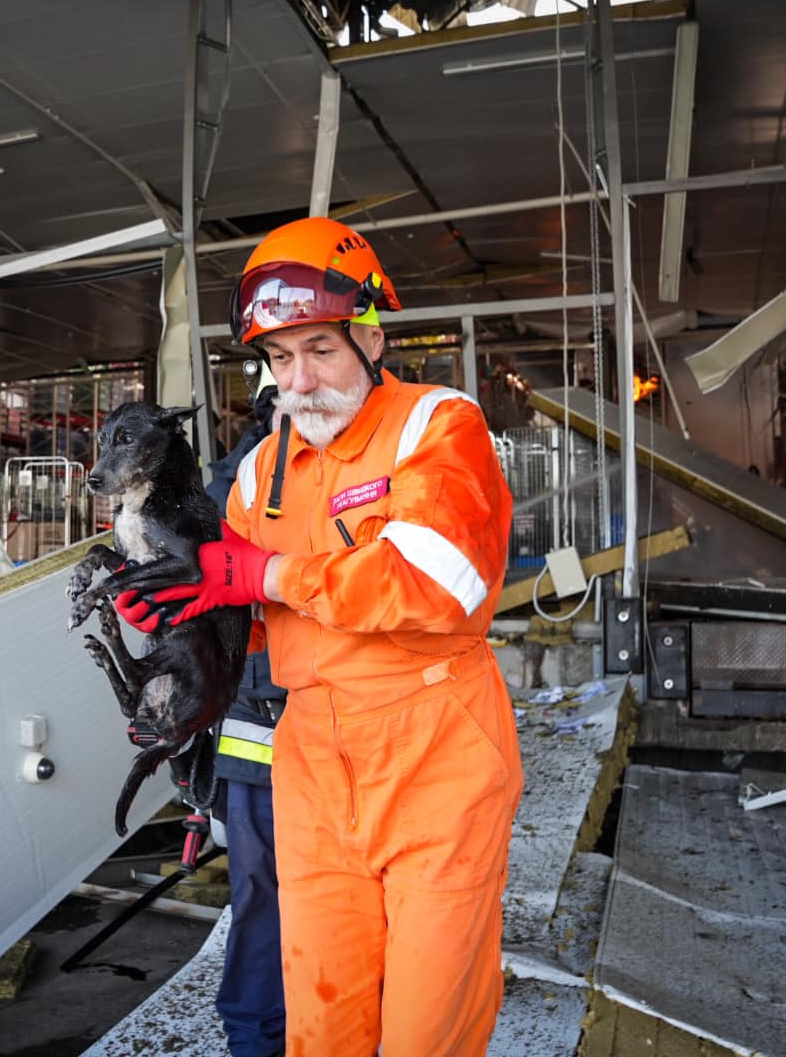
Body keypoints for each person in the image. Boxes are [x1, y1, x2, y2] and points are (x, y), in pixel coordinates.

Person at [120, 217, 521, 1055]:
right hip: (310, 766)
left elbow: (439, 580)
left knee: (424, 1029)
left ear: (369, 338)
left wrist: (265, 577)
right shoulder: (264, 471)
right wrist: (174, 627)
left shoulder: (436, 426)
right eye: (278, 358)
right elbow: (236, 609)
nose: (299, 379)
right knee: (323, 1024)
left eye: (320, 350)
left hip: (434, 757)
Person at [205, 369, 288, 1057]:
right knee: (262, 892)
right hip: (263, 727)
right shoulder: (230, 491)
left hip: (329, 729)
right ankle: (257, 1036)